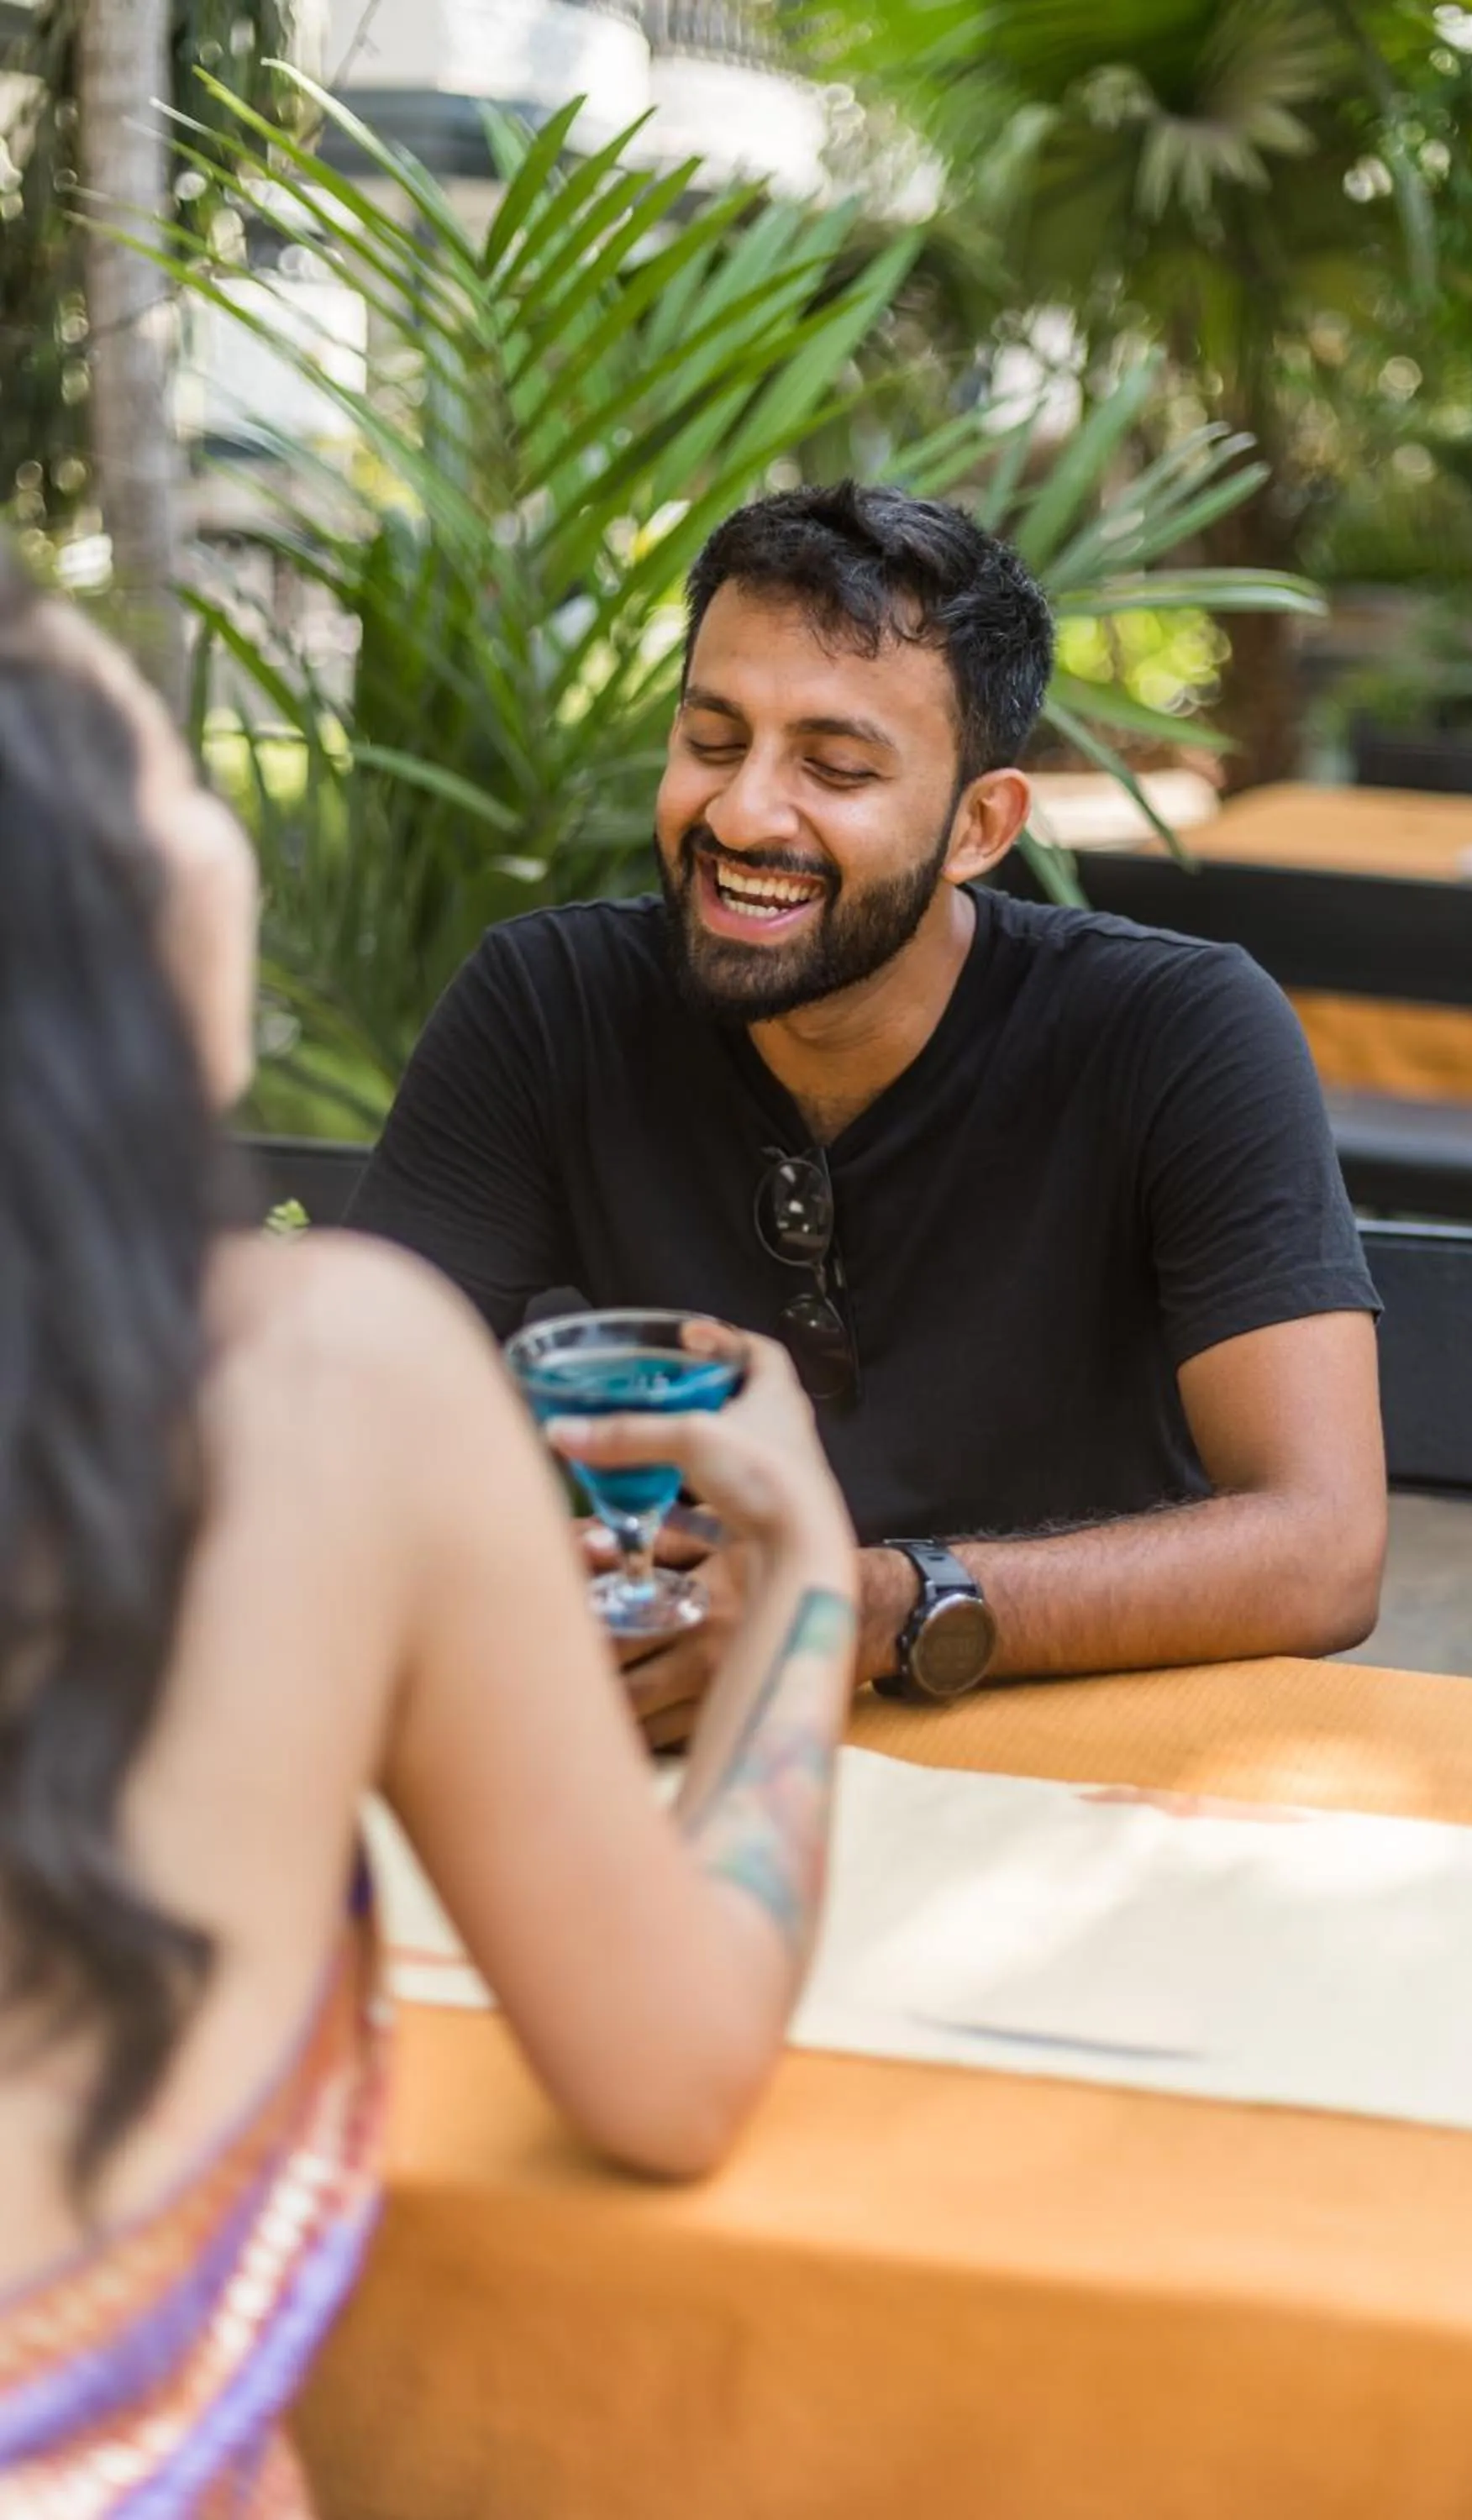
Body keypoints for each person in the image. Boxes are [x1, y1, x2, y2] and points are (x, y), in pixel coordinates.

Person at [0, 559, 859, 2509]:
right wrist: (804, 1562)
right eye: (171, 774)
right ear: (101, 924)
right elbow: (671, 2071)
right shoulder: (322, 1380)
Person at [351, 481, 1387, 1740]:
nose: (741, 813)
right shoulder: (546, 1004)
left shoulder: (1177, 1031)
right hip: (697, 1757)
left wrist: (868, 1609)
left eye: (835, 768)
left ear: (980, 825)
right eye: (712, 741)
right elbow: (349, 1430)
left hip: (1100, 1760)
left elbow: (1324, 1548)